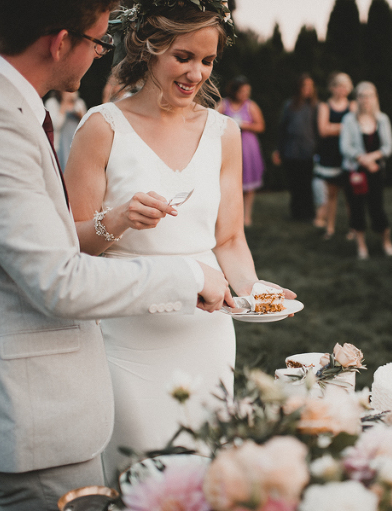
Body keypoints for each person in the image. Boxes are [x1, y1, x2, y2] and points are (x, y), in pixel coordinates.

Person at [0, 1, 235, 509]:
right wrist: (187, 276)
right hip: (33, 415)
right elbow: (59, 280)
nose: (101, 55)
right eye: (98, 41)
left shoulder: (2, 107)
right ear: (60, 41)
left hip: (51, 407)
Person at [63, 1, 293, 483]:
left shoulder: (223, 133)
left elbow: (229, 238)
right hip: (127, 338)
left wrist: (255, 292)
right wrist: (120, 219)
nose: (196, 74)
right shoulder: (101, 128)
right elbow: (72, 249)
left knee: (203, 472)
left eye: (207, 61)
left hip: (206, 337)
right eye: (183, 57)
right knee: (140, 476)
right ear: (149, 48)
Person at [340, 81, 392, 260]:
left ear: (375, 98)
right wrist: (362, 159)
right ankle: (361, 246)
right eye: (362, 96)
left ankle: (386, 242)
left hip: (376, 171)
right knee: (356, 209)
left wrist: (372, 158)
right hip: (355, 172)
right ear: (357, 99)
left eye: (369, 96)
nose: (365, 100)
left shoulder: (382, 119)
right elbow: (345, 147)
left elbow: (388, 146)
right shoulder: (349, 120)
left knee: (377, 208)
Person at [218, 75, 266, 227]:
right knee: (229, 182)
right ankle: (230, 214)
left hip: (248, 148)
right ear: (234, 91)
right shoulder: (224, 104)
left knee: (249, 184)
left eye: (247, 91)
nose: (245, 94)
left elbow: (261, 126)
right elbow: (213, 122)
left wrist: (245, 125)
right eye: (242, 91)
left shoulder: (251, 106)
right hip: (229, 148)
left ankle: (247, 216)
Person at [313, 72, 355, 239]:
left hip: (347, 155)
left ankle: (353, 228)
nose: (342, 90)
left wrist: (333, 127)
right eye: (338, 86)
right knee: (331, 194)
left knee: (349, 195)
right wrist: (344, 127)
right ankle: (330, 228)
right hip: (330, 155)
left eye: (345, 86)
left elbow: (354, 130)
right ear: (332, 88)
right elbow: (323, 130)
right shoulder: (324, 106)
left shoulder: (352, 105)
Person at [273, 74, 318, 222]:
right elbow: (282, 128)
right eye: (305, 86)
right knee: (294, 183)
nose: (308, 89)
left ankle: (309, 213)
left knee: (307, 183)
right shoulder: (290, 105)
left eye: (310, 86)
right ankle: (296, 213)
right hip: (291, 150)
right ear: (299, 88)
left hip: (308, 151)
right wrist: (278, 150)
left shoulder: (315, 106)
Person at [44, 90, 87, 170]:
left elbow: (85, 128)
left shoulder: (79, 103)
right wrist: (64, 103)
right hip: (60, 147)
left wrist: (80, 115)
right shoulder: (52, 103)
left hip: (75, 145)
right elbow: (55, 125)